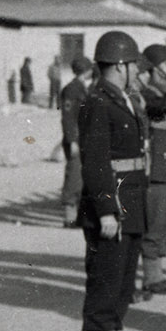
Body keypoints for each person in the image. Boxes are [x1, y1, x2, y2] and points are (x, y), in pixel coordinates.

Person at [76, 31, 151, 331]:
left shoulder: (124, 99)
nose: (137, 71)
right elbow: (95, 161)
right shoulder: (97, 102)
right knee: (105, 282)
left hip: (132, 202)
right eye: (134, 64)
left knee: (122, 284)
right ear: (121, 65)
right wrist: (106, 209)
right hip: (112, 207)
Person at [136, 44, 166, 299]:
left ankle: (156, 275)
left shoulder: (165, 93)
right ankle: (152, 277)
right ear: (155, 69)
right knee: (155, 225)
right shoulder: (147, 94)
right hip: (157, 170)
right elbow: (163, 107)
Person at [58, 55, 93, 226]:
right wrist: (72, 140)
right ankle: (69, 217)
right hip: (75, 140)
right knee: (74, 177)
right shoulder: (72, 89)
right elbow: (67, 117)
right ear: (85, 70)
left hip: (82, 139)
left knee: (81, 178)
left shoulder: (81, 88)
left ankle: (77, 215)